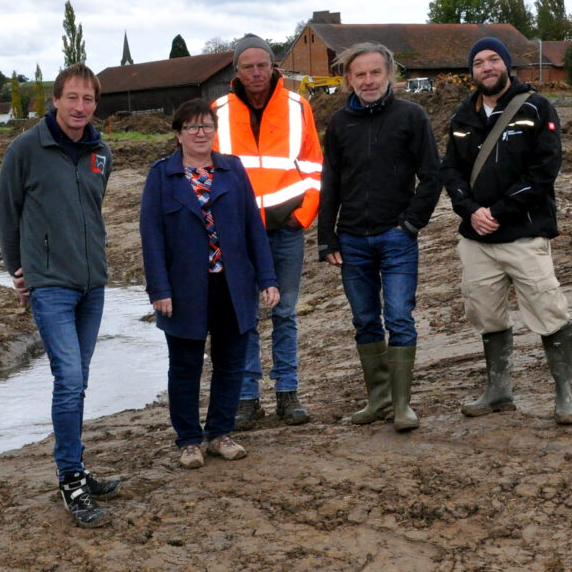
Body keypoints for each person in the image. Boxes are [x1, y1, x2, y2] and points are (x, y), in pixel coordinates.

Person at [0, 63, 122, 528]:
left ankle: (77, 467)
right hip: (50, 286)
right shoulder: (26, 149)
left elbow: (91, 208)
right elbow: (6, 215)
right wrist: (18, 270)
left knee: (79, 380)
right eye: (72, 98)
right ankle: (70, 478)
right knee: (68, 378)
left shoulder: (101, 152)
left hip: (93, 285)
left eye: (89, 100)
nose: (80, 108)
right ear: (55, 99)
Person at [441, 37, 572, 425]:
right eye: (479, 62)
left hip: (524, 233)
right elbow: (450, 171)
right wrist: (470, 211)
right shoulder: (461, 115)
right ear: (472, 72)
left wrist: (498, 211)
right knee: (486, 314)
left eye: (493, 60)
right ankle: (499, 391)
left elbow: (544, 170)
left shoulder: (536, 107)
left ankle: (565, 395)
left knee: (548, 310)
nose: (486, 67)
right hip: (477, 239)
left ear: (506, 64)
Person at [140, 99, 279, 469]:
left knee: (231, 362)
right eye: (191, 127)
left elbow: (253, 226)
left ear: (215, 131)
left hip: (232, 285)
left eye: (207, 126)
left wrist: (267, 278)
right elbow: (151, 237)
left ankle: (220, 434)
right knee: (184, 366)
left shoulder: (232, 170)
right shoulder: (161, 176)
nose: (200, 133)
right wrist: (160, 290)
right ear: (178, 134)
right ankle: (188, 440)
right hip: (184, 288)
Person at [318, 43, 442, 432]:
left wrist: (411, 225)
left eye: (375, 73)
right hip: (352, 240)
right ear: (349, 80)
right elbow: (330, 183)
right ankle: (379, 399)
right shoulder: (339, 124)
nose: (368, 81)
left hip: (396, 238)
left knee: (400, 318)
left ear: (389, 75)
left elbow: (432, 176)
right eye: (360, 74)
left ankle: (403, 406)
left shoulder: (411, 116)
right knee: (365, 320)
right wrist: (327, 238)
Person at [212, 34, 322, 429]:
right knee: (244, 316)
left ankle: (287, 394)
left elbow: (313, 167)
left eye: (262, 65)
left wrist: (303, 215)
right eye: (248, 66)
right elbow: (206, 171)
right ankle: (247, 399)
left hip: (285, 229)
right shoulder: (218, 111)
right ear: (236, 71)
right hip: (236, 234)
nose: (256, 73)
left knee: (285, 312)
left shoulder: (298, 106)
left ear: (274, 67)